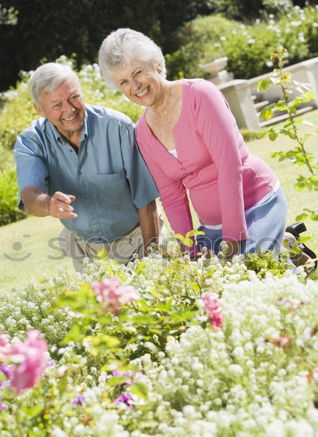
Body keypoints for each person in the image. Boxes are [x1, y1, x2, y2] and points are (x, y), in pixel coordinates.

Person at [98, 28, 292, 261]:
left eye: (138, 72)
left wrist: (233, 241)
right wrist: (189, 251)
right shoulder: (142, 132)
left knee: (253, 269)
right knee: (207, 284)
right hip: (212, 226)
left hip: (256, 204)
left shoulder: (200, 95)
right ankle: (289, 247)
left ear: (156, 65)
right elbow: (171, 196)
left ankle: (284, 249)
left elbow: (229, 168)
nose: (135, 86)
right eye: (124, 82)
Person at [14, 62, 161, 272]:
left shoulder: (117, 128)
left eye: (74, 97)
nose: (70, 109)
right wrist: (48, 205)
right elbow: (29, 195)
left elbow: (147, 203)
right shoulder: (32, 141)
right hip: (85, 252)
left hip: (136, 240)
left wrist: (152, 261)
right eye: (57, 105)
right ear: (40, 109)